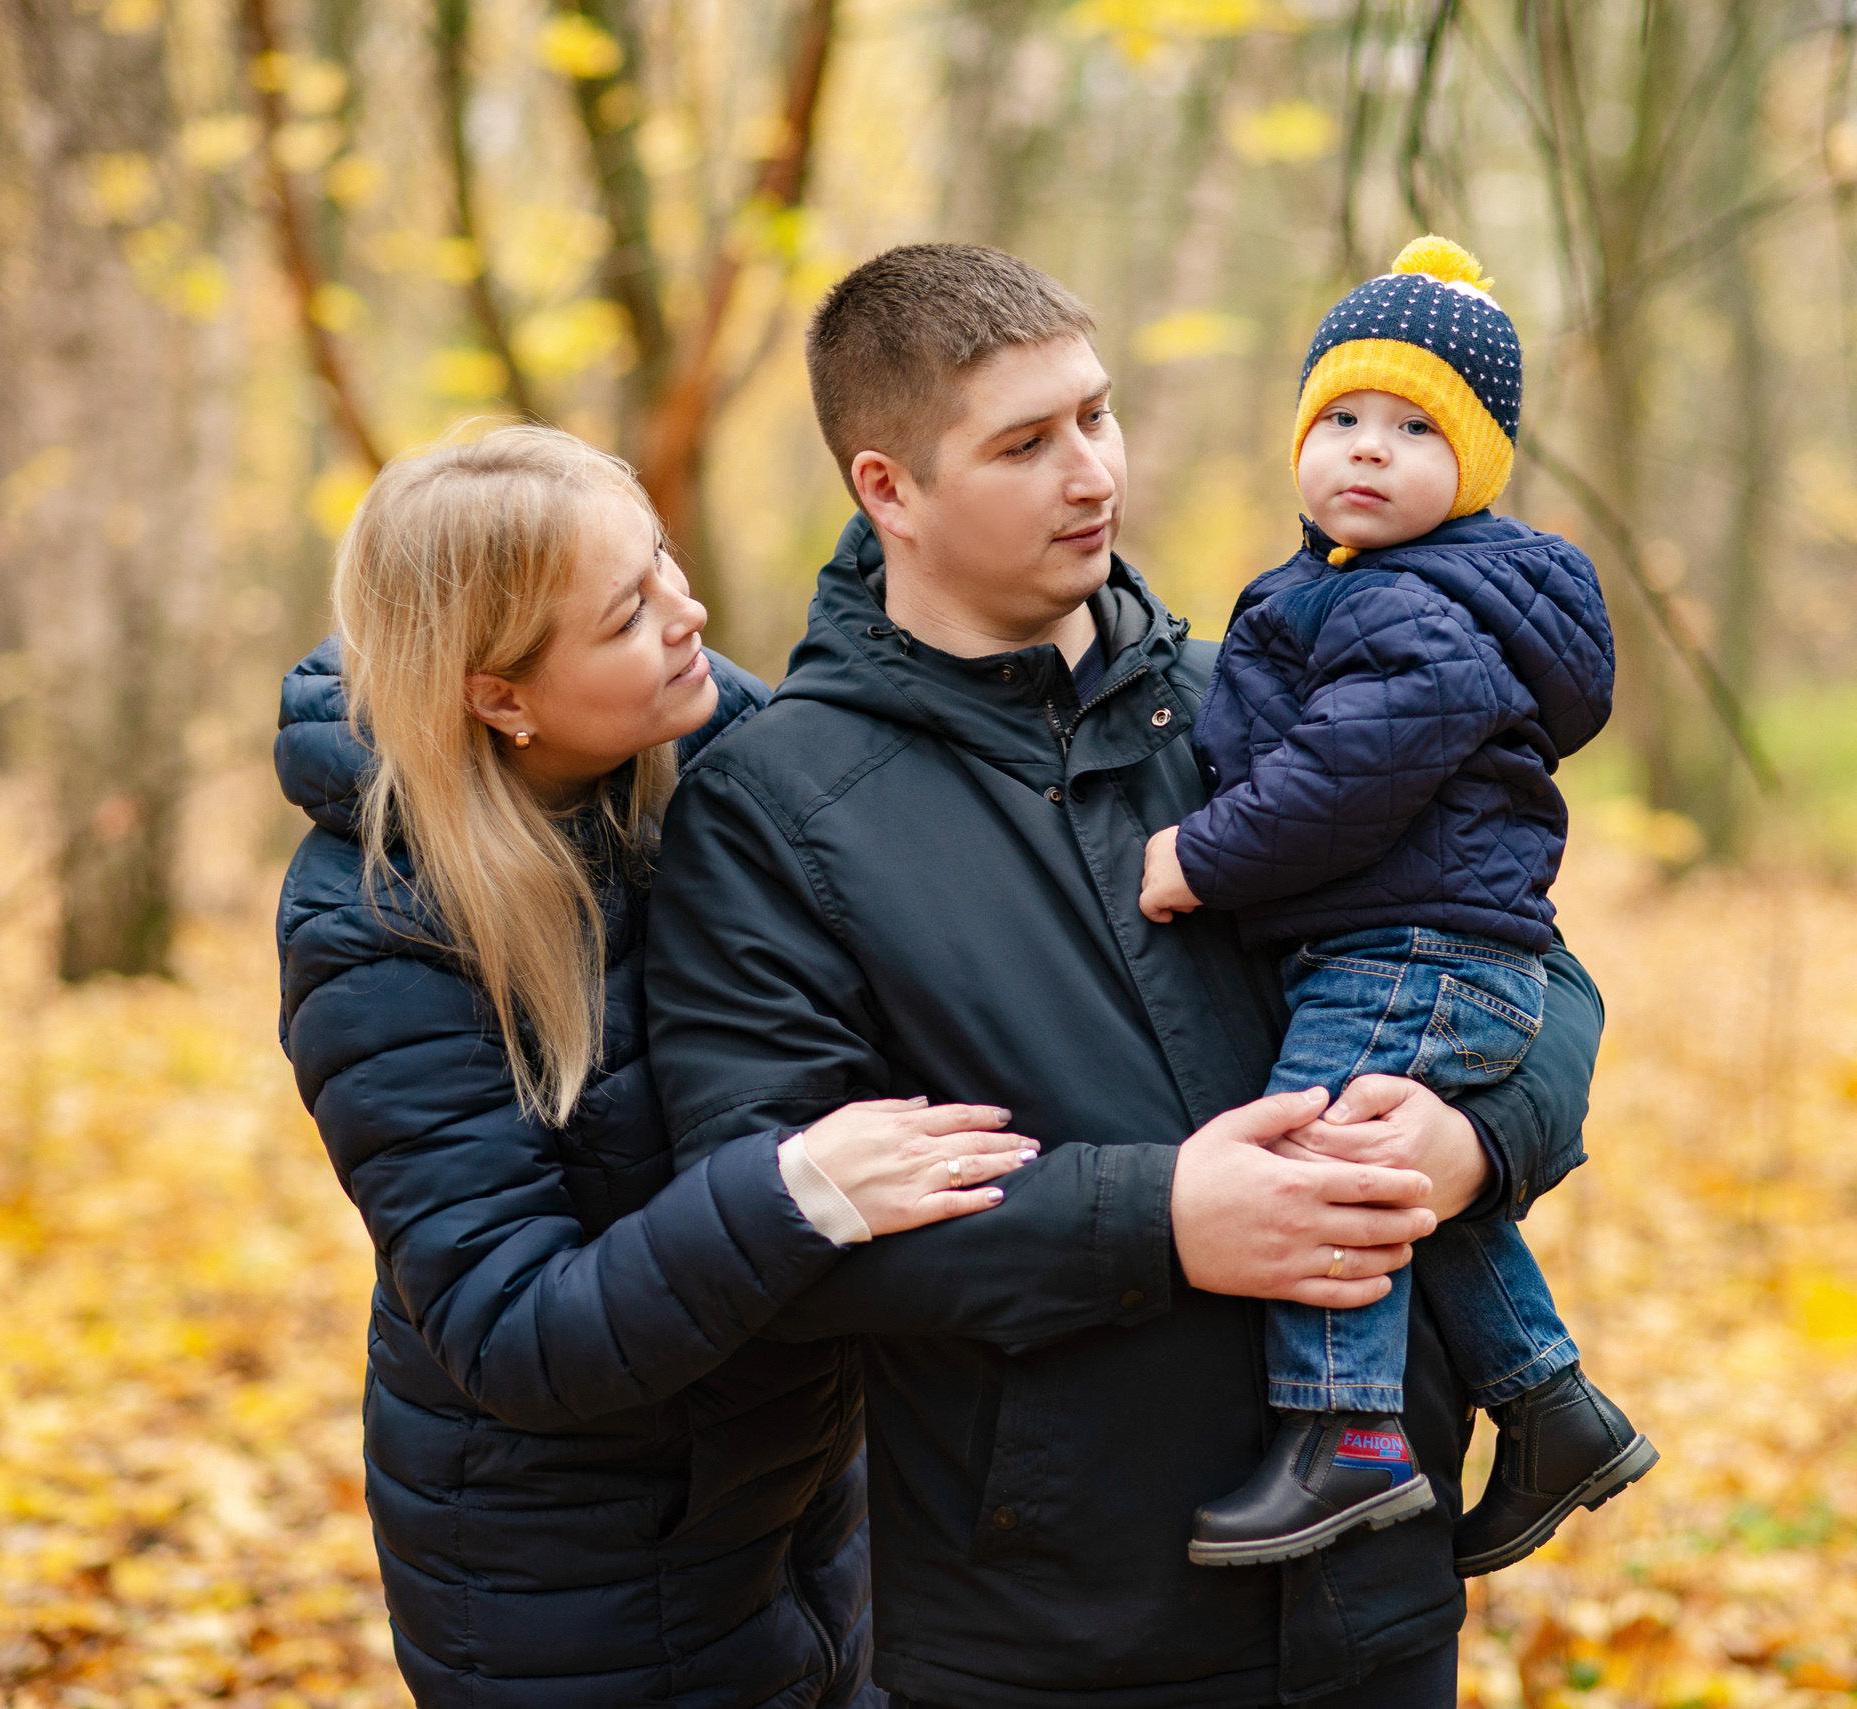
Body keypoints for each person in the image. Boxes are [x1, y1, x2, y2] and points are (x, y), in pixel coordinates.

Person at [644, 243, 1605, 1709]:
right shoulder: (777, 803)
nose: (1091, 472)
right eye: (1025, 445)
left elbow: (1527, 974)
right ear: (886, 489)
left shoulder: (1270, 706)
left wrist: (1471, 1142)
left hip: (1379, 1587)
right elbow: (770, 1226)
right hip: (1059, 1629)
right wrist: (1161, 1220)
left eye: (1094, 416)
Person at [273, 424, 1039, 1707]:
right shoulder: (384, 930)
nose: (686, 614)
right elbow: (509, 1328)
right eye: (627, 613)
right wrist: (798, 1192)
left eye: (665, 564)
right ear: (498, 694)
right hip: (566, 1580)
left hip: (798, 1492)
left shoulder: (715, 750)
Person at [1137, 237, 1655, 1576]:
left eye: (1417, 429)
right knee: (1403, 1180)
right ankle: (1551, 1408)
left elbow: (1339, 778)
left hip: (1408, 947)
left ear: (1475, 469)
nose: (1368, 451)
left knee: (1327, 1158)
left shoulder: (1414, 606)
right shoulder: (1375, 586)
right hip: (1416, 942)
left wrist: (1195, 854)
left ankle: (1347, 1434)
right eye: (1342, 419)